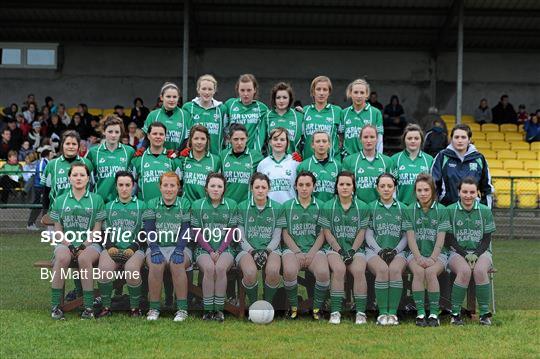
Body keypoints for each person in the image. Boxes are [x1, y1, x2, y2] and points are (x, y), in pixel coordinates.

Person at [49, 163, 106, 320]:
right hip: (66, 243)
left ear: (88, 178)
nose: (78, 178)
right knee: (62, 257)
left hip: (90, 244)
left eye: (82, 175)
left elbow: (97, 230)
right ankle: (55, 306)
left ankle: (88, 307)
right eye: (75, 175)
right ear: (69, 178)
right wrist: (70, 245)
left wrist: (82, 245)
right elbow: (58, 231)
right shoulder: (60, 200)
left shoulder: (96, 199)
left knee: (84, 258)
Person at [446, 177, 496, 326]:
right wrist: (465, 254)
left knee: (480, 271)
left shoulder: (485, 211)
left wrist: (476, 254)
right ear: (459, 192)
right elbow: (449, 240)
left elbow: (487, 239)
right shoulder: (450, 210)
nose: (468, 195)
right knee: (465, 271)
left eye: (472, 192)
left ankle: (484, 314)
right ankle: (455, 314)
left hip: (481, 251)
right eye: (465, 191)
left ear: (477, 193)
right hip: (456, 251)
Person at [96, 171, 147, 318]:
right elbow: (102, 231)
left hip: (134, 249)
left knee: (131, 269)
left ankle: (135, 308)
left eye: (127, 185)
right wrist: (109, 246)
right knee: (104, 269)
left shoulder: (141, 205)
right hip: (113, 248)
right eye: (121, 185)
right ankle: (106, 307)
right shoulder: (109, 206)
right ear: (116, 187)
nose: (124, 188)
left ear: (133, 186)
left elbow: (145, 230)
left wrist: (133, 247)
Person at [321, 171, 369, 325]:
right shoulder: (328, 206)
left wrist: (352, 251)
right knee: (339, 270)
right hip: (334, 249)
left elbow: (362, 233)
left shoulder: (363, 206)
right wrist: (340, 251)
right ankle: (335, 312)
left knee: (359, 271)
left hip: (355, 249)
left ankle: (360, 312)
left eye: (348, 184)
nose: (345, 187)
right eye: (341, 184)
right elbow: (327, 233)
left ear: (354, 187)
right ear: (336, 186)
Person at [143, 171, 191, 321]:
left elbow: (186, 229)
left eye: (172, 185)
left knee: (177, 263)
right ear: (160, 187)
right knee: (156, 265)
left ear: (178, 188)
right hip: (157, 246)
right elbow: (149, 229)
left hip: (180, 246)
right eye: (165, 185)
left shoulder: (184, 203)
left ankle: (182, 309)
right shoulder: (151, 203)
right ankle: (154, 308)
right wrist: (155, 249)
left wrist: (179, 248)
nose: (169, 189)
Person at [281, 171, 329, 321]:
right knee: (289, 271)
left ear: (314, 187)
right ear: (295, 186)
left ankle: (317, 308)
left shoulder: (322, 205)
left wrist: (312, 253)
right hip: (293, 249)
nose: (304, 188)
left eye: (308, 185)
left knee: (322, 273)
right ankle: (293, 307)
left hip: (315, 250)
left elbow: (323, 233)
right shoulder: (287, 206)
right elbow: (285, 233)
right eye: (300, 185)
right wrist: (297, 252)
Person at [190, 173, 238, 321]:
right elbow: (196, 231)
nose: (216, 189)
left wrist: (219, 250)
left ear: (224, 189)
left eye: (219, 186)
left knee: (220, 268)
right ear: (206, 188)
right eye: (212, 186)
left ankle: (218, 310)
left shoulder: (232, 204)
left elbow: (231, 232)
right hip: (203, 249)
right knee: (210, 269)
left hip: (226, 249)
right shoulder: (198, 205)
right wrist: (211, 251)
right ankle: (208, 310)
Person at [403, 174, 449, 327]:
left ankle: (434, 313)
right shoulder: (409, 210)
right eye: (419, 190)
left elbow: (441, 240)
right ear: (415, 192)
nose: (423, 193)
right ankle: (421, 313)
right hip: (415, 254)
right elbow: (410, 238)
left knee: (430, 272)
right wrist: (419, 258)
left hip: (438, 254)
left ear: (433, 191)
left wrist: (432, 258)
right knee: (419, 272)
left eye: (426, 190)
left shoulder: (442, 210)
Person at [236, 172, 285, 306]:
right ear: (251, 188)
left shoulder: (278, 208)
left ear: (269, 188)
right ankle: (253, 305)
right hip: (247, 250)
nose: (260, 190)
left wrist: (267, 251)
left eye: (263, 187)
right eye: (257, 187)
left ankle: (267, 305)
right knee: (250, 272)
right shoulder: (241, 206)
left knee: (273, 271)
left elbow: (277, 236)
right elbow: (240, 236)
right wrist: (252, 251)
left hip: (271, 249)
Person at [365, 173, 408, 325]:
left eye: (390, 186)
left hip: (399, 251)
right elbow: (368, 235)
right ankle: (383, 313)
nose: (386, 189)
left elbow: (406, 236)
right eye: (382, 186)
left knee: (395, 271)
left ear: (395, 188)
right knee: (383, 270)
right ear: (377, 188)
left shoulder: (403, 208)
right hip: (374, 251)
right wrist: (379, 251)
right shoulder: (371, 207)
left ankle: (393, 314)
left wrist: (395, 251)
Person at [431, 124, 494, 207]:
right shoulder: (442, 156)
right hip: (447, 209)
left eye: (463, 137)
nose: (460, 140)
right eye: (456, 137)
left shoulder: (479, 159)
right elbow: (433, 186)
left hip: (472, 212)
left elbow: (487, 188)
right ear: (451, 139)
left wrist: (486, 212)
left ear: (469, 140)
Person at [86, 116, 134, 203]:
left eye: (117, 132)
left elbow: (133, 178)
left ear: (121, 133)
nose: (113, 135)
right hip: (99, 202)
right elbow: (86, 179)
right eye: (110, 131)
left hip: (122, 203)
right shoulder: (93, 152)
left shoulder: (129, 151)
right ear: (104, 132)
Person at [41, 130, 93, 209]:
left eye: (74, 144)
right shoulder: (52, 165)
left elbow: (92, 188)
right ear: (62, 145)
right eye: (68, 144)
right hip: (57, 214)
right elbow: (46, 192)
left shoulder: (87, 163)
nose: (71, 147)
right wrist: (45, 214)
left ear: (78, 146)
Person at [130, 122, 181, 201]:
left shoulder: (173, 160)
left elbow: (179, 187)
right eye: (154, 134)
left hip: (167, 210)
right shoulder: (138, 159)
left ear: (165, 137)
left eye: (161, 134)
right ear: (148, 136)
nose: (158, 137)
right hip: (145, 209)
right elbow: (131, 186)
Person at [343, 125, 392, 203]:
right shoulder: (349, 161)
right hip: (357, 208)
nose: (369, 140)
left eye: (372, 137)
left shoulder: (387, 161)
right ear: (360, 139)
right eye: (365, 137)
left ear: (377, 139)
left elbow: (391, 188)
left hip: (379, 208)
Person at [183, 74, 228, 155]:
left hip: (215, 157)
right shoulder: (188, 107)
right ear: (198, 90)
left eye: (210, 89)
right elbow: (185, 134)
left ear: (214, 90)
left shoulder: (222, 109)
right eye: (203, 89)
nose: (207, 92)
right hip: (193, 158)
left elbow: (227, 134)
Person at [391, 124, 434, 205]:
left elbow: (433, 187)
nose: (413, 141)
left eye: (416, 138)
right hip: (401, 208)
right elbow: (391, 186)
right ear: (404, 140)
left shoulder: (429, 160)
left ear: (421, 140)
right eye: (409, 138)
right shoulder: (395, 159)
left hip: (422, 208)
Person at [142, 82, 191, 151]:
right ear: (161, 97)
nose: (171, 100)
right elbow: (147, 139)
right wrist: (142, 150)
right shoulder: (153, 115)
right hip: (157, 158)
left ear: (178, 98)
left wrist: (177, 153)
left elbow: (188, 139)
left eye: (174, 97)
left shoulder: (185, 115)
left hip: (178, 158)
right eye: (168, 96)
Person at [225, 74, 269, 150]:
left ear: (255, 90)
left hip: (252, 154)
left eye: (249, 90)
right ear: (237, 90)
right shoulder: (230, 104)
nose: (245, 94)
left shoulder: (262, 108)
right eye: (242, 90)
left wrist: (296, 110)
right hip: (232, 155)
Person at [301, 76, 342, 159]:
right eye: (318, 89)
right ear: (313, 92)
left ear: (329, 92)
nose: (321, 93)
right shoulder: (305, 111)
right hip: (308, 161)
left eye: (325, 89)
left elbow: (343, 136)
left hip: (332, 162)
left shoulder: (337, 111)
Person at [220, 124, 262, 202]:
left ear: (247, 139)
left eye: (242, 139)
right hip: (227, 204)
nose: (239, 143)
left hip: (247, 205)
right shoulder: (223, 155)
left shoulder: (256, 156)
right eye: (236, 139)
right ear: (229, 139)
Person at [258, 82, 303, 155]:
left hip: (292, 162)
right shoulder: (267, 116)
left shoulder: (299, 116)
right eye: (278, 97)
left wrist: (301, 156)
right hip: (271, 163)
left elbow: (304, 141)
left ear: (290, 99)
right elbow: (260, 142)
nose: (281, 101)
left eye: (285, 97)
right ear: (274, 99)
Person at [341, 79, 383, 156]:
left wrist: (378, 159)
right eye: (356, 92)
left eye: (362, 92)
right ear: (350, 93)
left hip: (368, 159)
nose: (359, 96)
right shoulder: (344, 113)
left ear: (367, 95)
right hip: (347, 159)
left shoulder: (375, 113)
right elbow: (340, 138)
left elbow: (379, 139)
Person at [178, 125, 221, 202]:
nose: (199, 142)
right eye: (196, 138)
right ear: (190, 140)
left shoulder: (215, 160)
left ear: (207, 140)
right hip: (186, 206)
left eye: (203, 139)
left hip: (206, 206)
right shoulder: (183, 159)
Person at [257, 127, 298, 204]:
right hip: (269, 209)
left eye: (282, 140)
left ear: (287, 142)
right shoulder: (262, 164)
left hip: (290, 208)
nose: (278, 142)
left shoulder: (295, 163)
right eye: (275, 139)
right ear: (270, 142)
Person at [297, 131, 341, 202]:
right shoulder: (304, 166)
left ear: (329, 144)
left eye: (324, 141)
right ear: (312, 145)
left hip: (331, 209)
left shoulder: (338, 166)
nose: (321, 144)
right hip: (312, 209)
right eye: (318, 141)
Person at [27, 147, 52, 230]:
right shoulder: (42, 163)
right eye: (51, 153)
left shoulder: (48, 162)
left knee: (46, 205)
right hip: (40, 187)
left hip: (45, 187)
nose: (52, 154)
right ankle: (30, 224)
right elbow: (41, 175)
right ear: (47, 154)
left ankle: (46, 224)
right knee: (37, 206)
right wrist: (45, 185)